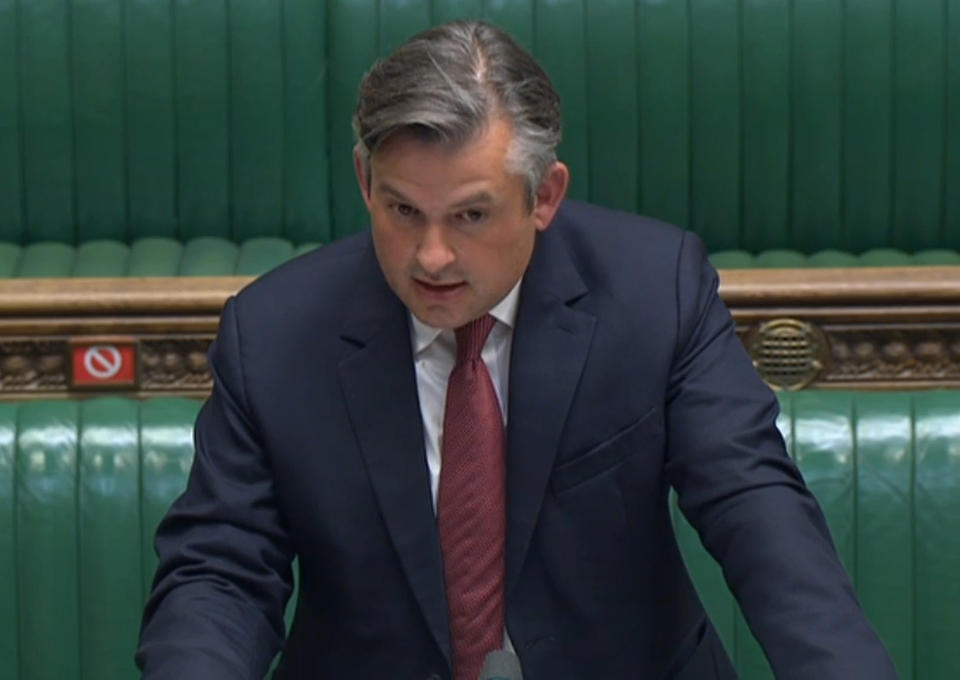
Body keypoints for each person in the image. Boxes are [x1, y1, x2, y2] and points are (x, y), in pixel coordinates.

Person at [137, 20, 897, 680]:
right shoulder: (273, 334)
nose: (431, 256)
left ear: (545, 197)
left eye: (471, 215)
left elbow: (756, 510)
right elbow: (222, 572)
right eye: (404, 210)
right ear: (366, 181)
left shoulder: (651, 294)